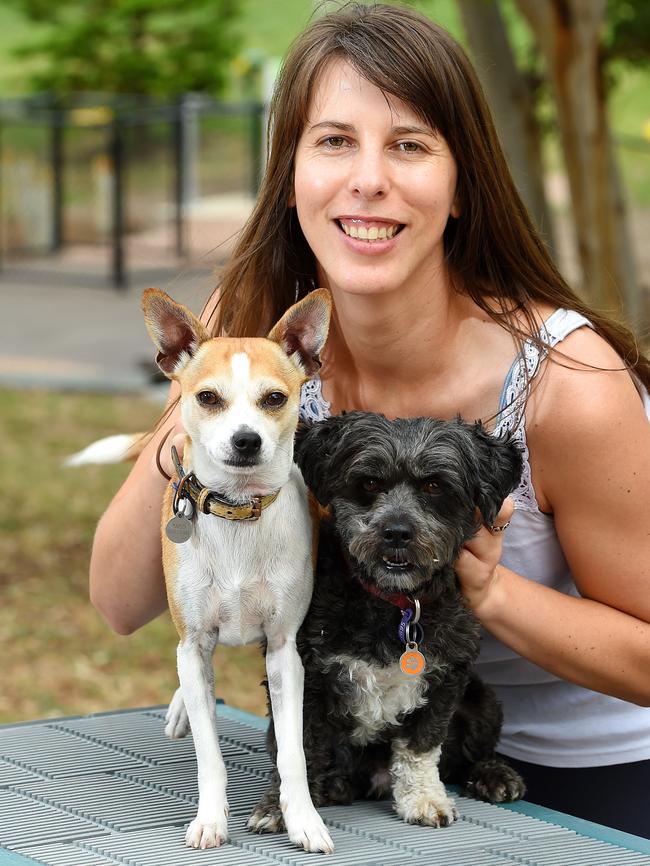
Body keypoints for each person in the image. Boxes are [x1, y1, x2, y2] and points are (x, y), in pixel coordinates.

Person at [89, 3, 650, 838]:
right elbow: (119, 602)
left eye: (411, 145)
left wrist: (486, 587)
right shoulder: (253, 354)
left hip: (570, 775)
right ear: (289, 177)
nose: (369, 180)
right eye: (335, 141)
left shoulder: (568, 385)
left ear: (464, 187)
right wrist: (201, 422)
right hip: (341, 756)